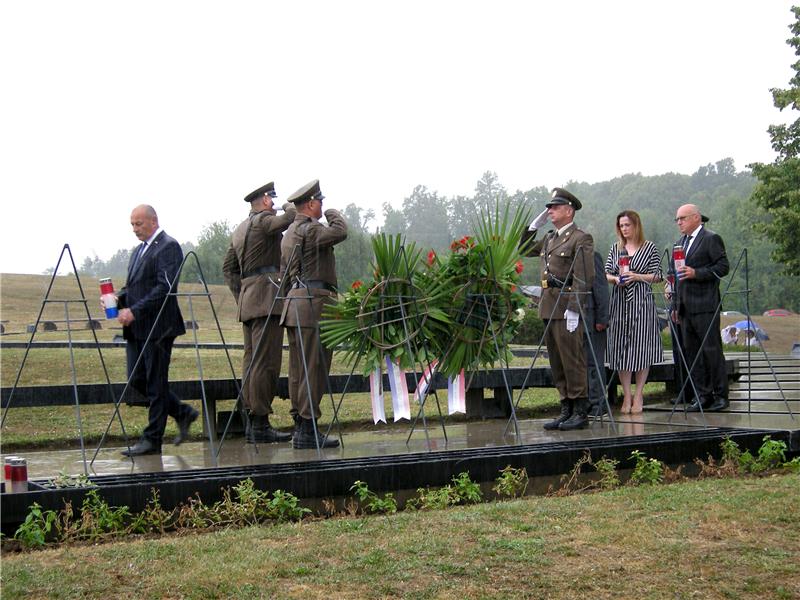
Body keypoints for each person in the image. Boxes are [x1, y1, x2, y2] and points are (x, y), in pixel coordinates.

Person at [117, 205, 198, 456]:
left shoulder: (168, 246)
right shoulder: (138, 251)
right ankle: (183, 412)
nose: (134, 229)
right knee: (137, 378)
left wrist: (135, 310)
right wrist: (117, 301)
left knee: (155, 382)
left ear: (153, 221)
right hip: (137, 328)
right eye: (132, 224)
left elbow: (164, 287)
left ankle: (152, 439)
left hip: (159, 327)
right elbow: (135, 287)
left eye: (138, 224)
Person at [222, 182, 295, 443]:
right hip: (267, 301)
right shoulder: (265, 221)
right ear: (264, 200)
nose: (274, 205)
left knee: (251, 363)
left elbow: (228, 268)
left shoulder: (240, 229)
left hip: (250, 301)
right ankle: (261, 423)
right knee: (266, 364)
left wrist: (243, 292)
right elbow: (290, 218)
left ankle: (254, 420)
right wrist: (289, 204)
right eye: (272, 200)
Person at [280, 180, 347, 448]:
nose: (321, 205)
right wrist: (331, 211)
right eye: (320, 201)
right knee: (314, 368)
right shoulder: (312, 230)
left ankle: (300, 424)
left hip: (295, 305)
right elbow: (341, 231)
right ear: (310, 203)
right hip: (314, 304)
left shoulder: (289, 234)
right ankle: (308, 428)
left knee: (298, 369)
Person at [520, 187, 594, 430]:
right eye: (548, 208)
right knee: (557, 361)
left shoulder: (580, 238)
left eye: (555, 207)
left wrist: (574, 308)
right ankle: (566, 408)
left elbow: (584, 277)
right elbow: (521, 249)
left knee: (573, 360)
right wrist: (532, 227)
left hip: (566, 309)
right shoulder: (549, 238)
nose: (549, 211)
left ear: (569, 210)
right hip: (548, 307)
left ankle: (580, 411)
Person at [672, 203, 730, 412]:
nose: (679, 222)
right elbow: (676, 277)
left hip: (705, 304)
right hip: (685, 307)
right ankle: (702, 395)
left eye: (683, 218)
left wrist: (697, 273)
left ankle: (720, 395)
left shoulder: (711, 238)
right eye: (677, 219)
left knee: (711, 351)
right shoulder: (680, 244)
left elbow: (723, 267)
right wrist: (674, 305)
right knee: (692, 353)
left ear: (696, 217)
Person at [604, 210, 663, 414]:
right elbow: (606, 273)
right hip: (620, 302)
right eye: (621, 226)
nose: (624, 229)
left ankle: (639, 394)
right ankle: (626, 395)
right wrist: (616, 279)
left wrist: (636, 276)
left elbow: (658, 275)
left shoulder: (649, 248)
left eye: (627, 225)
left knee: (641, 345)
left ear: (636, 225)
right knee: (622, 346)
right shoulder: (615, 248)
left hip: (641, 301)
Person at [586, 251, 610, 417]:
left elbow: (601, 287)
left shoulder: (592, 255)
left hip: (594, 318)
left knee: (594, 362)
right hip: (577, 318)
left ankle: (598, 405)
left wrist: (602, 318)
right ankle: (587, 402)